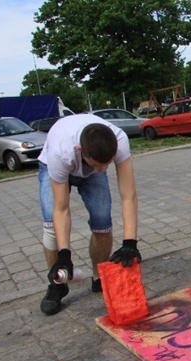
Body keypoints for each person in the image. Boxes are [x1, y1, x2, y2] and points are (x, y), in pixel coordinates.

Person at [38, 114, 140, 315]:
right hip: (56, 166)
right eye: (96, 164)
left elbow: (128, 195)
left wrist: (130, 243)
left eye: (107, 164)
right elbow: (62, 209)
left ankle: (98, 277)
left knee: (102, 221)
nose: (102, 169)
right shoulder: (61, 152)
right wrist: (64, 254)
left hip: (90, 158)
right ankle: (58, 283)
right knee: (51, 223)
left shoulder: (119, 141)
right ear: (80, 150)